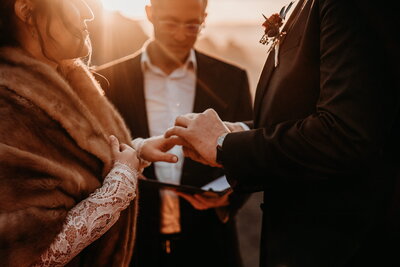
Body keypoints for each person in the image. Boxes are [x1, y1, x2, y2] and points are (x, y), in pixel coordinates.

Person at [165, 0, 400, 266]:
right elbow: (301, 114)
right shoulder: (302, 7)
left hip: (337, 247)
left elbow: (345, 132)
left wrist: (225, 145)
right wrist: (238, 132)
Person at [0, 0, 178, 266]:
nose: (88, 12)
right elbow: (26, 256)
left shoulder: (66, 78)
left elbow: (68, 168)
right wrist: (120, 184)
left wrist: (136, 152)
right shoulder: (7, 106)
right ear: (26, 10)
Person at [96, 0, 253, 266]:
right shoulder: (105, 80)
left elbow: (249, 146)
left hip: (210, 241)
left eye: (192, 25)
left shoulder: (232, 78)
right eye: (170, 23)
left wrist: (228, 198)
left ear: (204, 17)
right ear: (149, 13)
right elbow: (97, 152)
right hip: (134, 241)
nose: (181, 34)